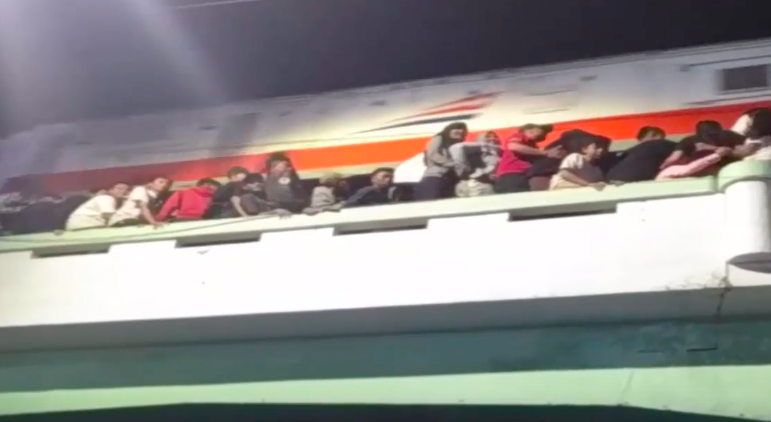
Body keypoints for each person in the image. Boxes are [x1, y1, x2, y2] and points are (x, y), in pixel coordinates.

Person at [494, 123, 561, 193]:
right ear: (529, 130)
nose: (544, 135)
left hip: (522, 176)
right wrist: (546, 153)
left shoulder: (533, 147)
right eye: (542, 130)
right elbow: (513, 146)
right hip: (511, 175)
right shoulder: (520, 136)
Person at [414, 122, 467, 200]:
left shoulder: (458, 146)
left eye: (462, 130)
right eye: (457, 128)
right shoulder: (439, 138)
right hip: (436, 177)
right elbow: (432, 154)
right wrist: (450, 163)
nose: (460, 131)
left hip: (452, 179)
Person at [606, 126, 675, 183]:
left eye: (662, 136)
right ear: (641, 138)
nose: (659, 138)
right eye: (654, 135)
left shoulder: (624, 154)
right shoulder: (625, 155)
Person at [450, 131, 500, 197]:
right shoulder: (470, 154)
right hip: (466, 185)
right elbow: (456, 147)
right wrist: (484, 145)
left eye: (495, 137)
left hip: (485, 187)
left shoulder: (499, 155)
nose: (493, 139)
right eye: (488, 137)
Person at [65, 182, 130, 230]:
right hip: (85, 225)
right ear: (111, 190)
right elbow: (108, 214)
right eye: (120, 189)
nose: (124, 191)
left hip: (83, 225)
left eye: (127, 190)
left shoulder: (113, 202)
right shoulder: (106, 198)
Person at [156, 178, 221, 222]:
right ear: (209, 185)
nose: (217, 189)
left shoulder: (182, 192)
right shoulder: (216, 196)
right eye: (216, 186)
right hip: (201, 221)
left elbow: (168, 207)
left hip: (181, 220)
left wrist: (158, 220)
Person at [656, 147, 733, 180]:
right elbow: (689, 168)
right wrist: (717, 155)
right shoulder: (669, 170)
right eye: (684, 157)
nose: (687, 159)